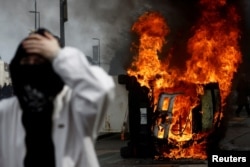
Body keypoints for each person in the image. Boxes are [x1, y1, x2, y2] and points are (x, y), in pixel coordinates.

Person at [0, 28, 115, 167]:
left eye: (39, 60)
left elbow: (101, 87)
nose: (31, 66)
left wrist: (58, 54)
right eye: (26, 60)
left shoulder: (74, 107)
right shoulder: (5, 112)